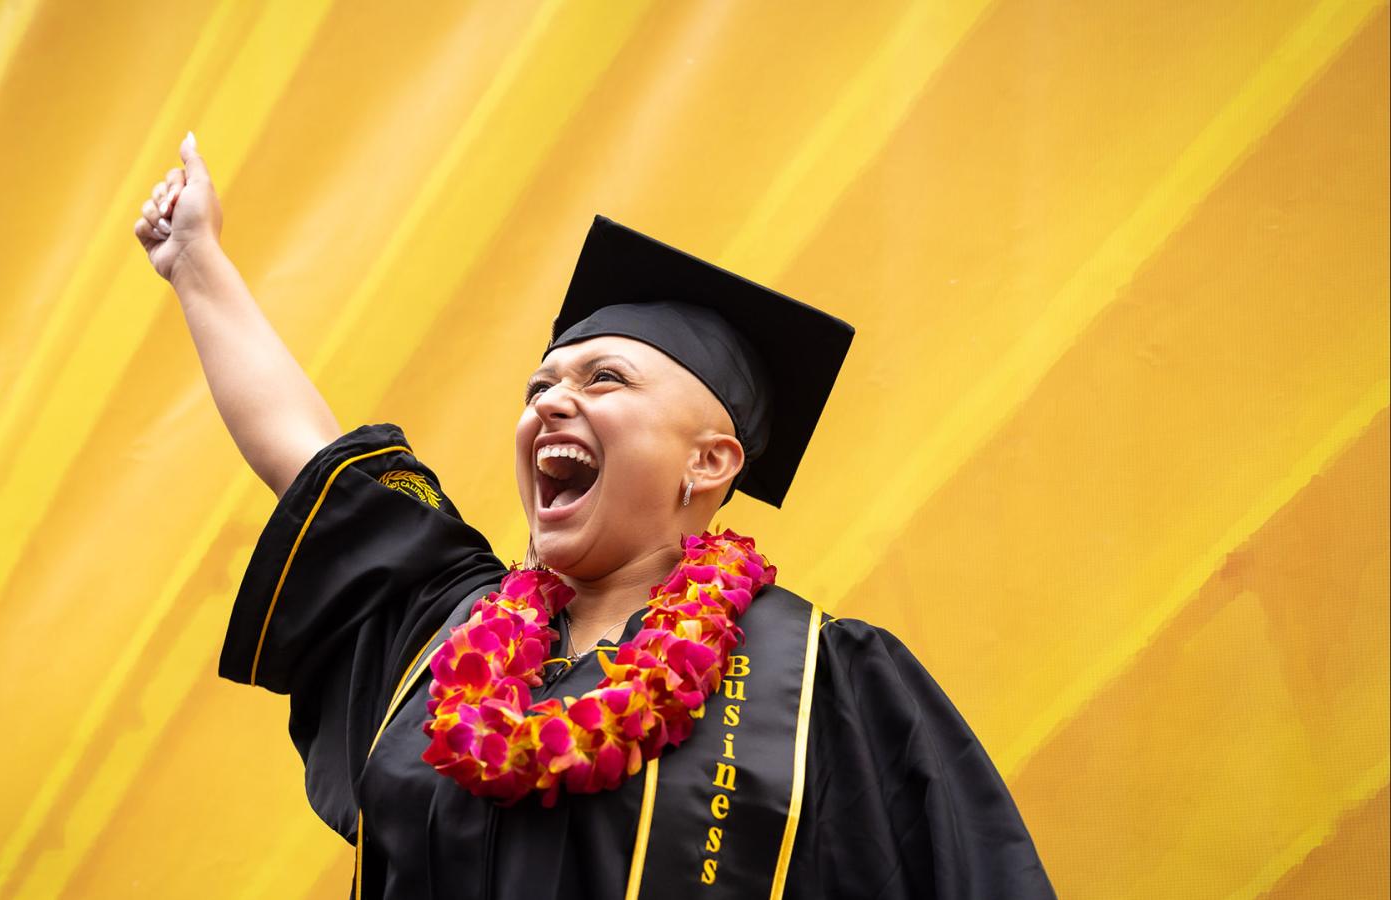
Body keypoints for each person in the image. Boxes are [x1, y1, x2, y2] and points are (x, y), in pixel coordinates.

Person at [134, 132, 1057, 899]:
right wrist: (196, 262)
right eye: (539, 385)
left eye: (603, 379)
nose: (549, 402)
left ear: (711, 460)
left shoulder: (828, 685)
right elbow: (309, 456)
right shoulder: (445, 631)